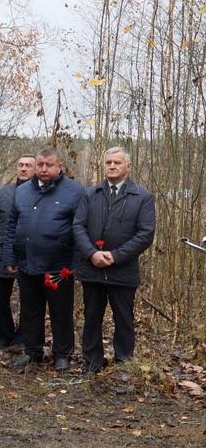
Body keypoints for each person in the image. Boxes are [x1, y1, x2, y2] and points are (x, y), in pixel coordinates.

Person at [73, 147, 155, 372]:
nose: (111, 166)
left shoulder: (142, 197)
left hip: (123, 270)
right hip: (92, 269)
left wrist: (115, 256)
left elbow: (145, 234)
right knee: (92, 318)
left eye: (117, 162)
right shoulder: (90, 194)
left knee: (124, 319)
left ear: (128, 166)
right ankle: (92, 363)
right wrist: (92, 253)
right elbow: (78, 226)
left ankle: (123, 365)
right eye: (108, 162)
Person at [3, 148, 83, 372]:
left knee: (61, 312)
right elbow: (11, 226)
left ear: (60, 166)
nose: (44, 169)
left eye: (49, 165)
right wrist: (10, 256)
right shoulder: (22, 191)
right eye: (40, 164)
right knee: (30, 310)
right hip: (27, 262)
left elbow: (81, 228)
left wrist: (75, 264)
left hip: (59, 266)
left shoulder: (75, 191)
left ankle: (62, 354)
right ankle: (32, 351)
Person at [0, 155, 36, 348]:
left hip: (30, 254)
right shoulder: (2, 194)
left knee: (29, 299)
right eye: (21, 165)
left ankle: (23, 336)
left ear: (36, 169)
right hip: (2, 252)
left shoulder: (40, 193)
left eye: (28, 166)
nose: (23, 169)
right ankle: (5, 335)